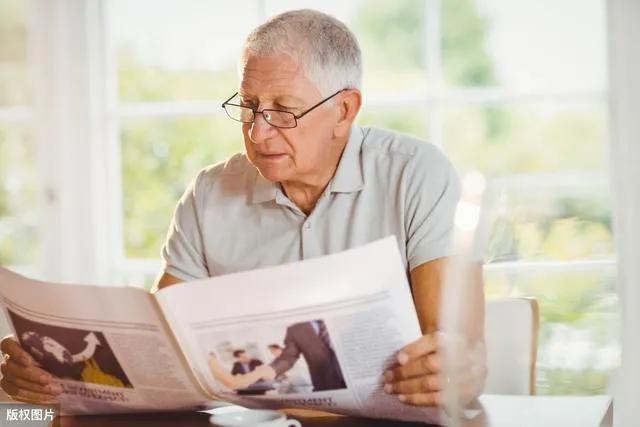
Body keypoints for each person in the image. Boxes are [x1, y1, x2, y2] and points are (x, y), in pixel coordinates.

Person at [0, 8, 486, 408]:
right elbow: (162, 350)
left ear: (344, 111)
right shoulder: (209, 193)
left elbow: (459, 347)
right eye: (249, 106)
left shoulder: (417, 173)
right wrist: (53, 376)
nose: (258, 131)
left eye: (283, 110)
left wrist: (459, 368)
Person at [265, 320, 346, 392]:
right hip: (328, 387)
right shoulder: (295, 329)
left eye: (273, 351)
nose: (273, 353)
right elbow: (288, 357)